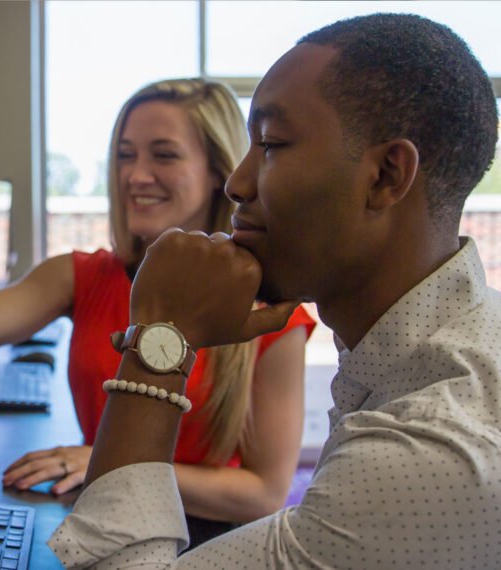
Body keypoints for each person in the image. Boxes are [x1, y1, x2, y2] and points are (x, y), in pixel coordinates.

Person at [46, 12, 501, 569]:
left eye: (272, 144)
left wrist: (159, 338)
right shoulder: (449, 344)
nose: (237, 185)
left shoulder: (429, 454)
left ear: (386, 175)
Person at [0, 78, 315, 542]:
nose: (136, 174)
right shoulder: (84, 274)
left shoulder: (271, 317)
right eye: (126, 155)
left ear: (219, 172)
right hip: (103, 526)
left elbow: (265, 493)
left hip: (205, 540)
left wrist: (101, 462)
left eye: (164, 154)